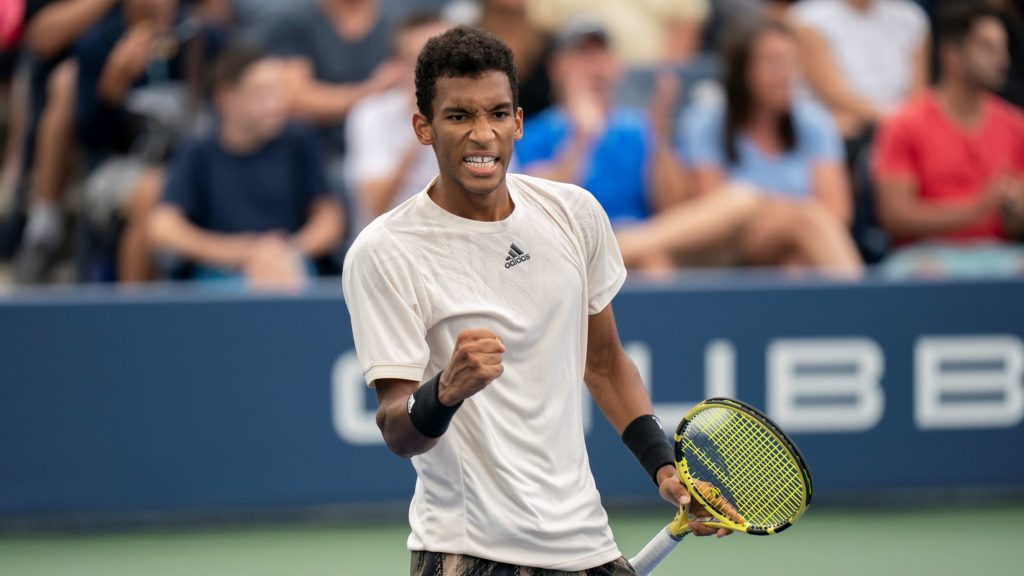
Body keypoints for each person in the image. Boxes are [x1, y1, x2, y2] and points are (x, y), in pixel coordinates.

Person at [341, 26, 729, 575]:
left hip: (587, 544)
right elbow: (396, 429)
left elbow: (605, 363)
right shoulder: (385, 252)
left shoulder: (574, 213)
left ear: (519, 121)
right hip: (468, 552)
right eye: (459, 117)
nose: (483, 134)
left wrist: (663, 467)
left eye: (498, 113)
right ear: (423, 128)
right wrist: (446, 391)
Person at [148, 47, 344, 288]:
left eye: (280, 92)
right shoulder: (199, 152)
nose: (276, 104)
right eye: (262, 94)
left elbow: (329, 219)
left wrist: (287, 250)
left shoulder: (299, 143)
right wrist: (244, 252)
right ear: (226, 97)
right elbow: (164, 227)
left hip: (291, 264)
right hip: (219, 273)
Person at [678, 18, 863, 273]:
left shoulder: (815, 121)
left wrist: (779, 216)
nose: (785, 74)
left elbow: (838, 212)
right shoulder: (706, 119)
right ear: (742, 69)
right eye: (773, 62)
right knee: (763, 206)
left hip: (797, 246)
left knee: (796, 260)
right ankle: (867, 306)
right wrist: (790, 214)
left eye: (791, 63)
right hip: (727, 247)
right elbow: (712, 208)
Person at [873, 2, 1024, 276]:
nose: (1001, 59)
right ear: (951, 55)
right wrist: (977, 207)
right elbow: (895, 217)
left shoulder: (1017, 126)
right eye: (987, 48)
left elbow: (1014, 224)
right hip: (925, 255)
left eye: (1003, 48)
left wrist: (1014, 209)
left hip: (1001, 255)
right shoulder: (904, 124)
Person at [516, 18, 687, 227]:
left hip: (637, 239)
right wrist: (582, 139)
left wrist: (660, 137)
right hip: (573, 242)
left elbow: (673, 209)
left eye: (602, 54)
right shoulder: (533, 132)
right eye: (583, 55)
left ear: (617, 67)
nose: (596, 66)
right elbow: (538, 211)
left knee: (655, 258)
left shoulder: (641, 129)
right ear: (557, 68)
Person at [344, 12, 448, 228]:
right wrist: (426, 126)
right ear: (399, 66)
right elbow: (374, 205)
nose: (438, 74)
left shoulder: (476, 115)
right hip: (390, 238)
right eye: (424, 63)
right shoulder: (370, 115)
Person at [790, 0, 930, 149]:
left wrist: (902, 124)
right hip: (843, 134)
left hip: (897, 128)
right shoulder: (807, 18)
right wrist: (896, 121)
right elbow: (833, 92)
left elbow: (918, 94)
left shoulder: (911, 17)